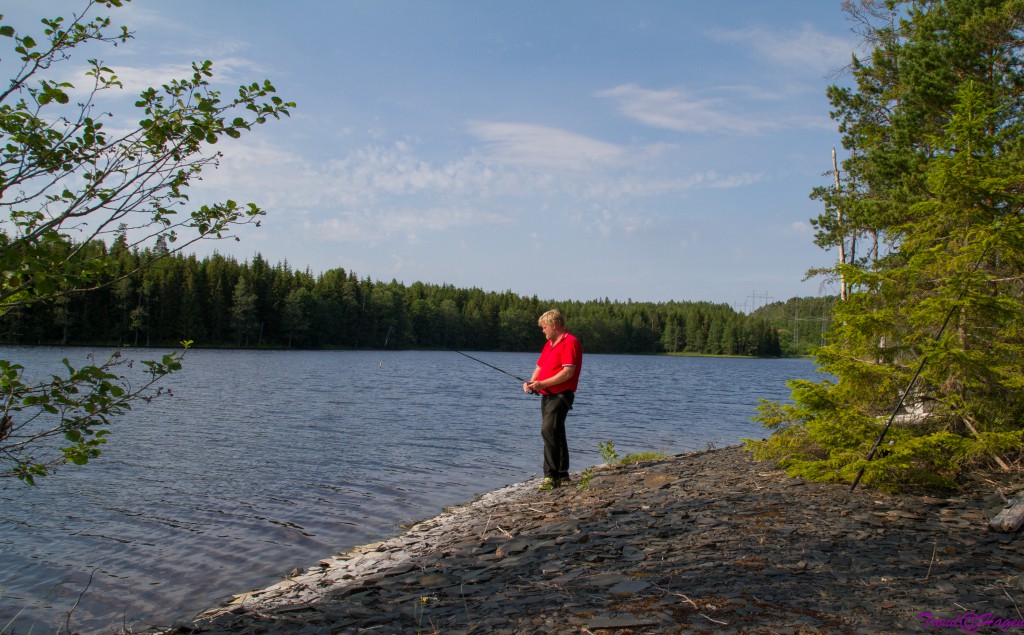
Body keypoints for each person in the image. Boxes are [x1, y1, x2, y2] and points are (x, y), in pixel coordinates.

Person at [523, 309, 583, 490]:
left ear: (555, 325)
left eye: (544, 327)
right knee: (556, 432)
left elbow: (568, 373)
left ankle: (550, 475)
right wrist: (532, 383)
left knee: (548, 430)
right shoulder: (549, 344)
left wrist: (541, 384)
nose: (543, 331)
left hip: (561, 394)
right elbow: (539, 366)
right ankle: (563, 474)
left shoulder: (570, 342)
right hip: (547, 394)